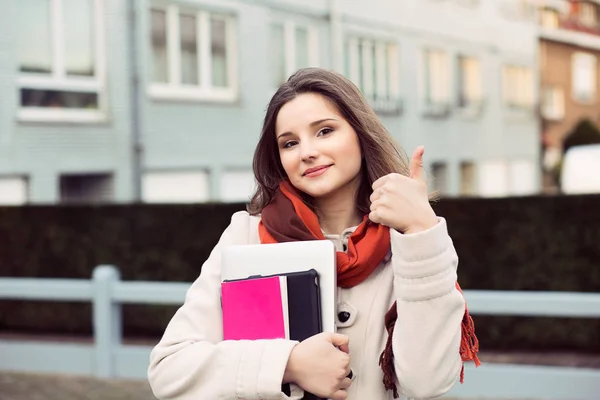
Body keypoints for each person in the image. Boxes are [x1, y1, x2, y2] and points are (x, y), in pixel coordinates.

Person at [147, 68, 479, 400]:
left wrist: (421, 231)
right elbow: (170, 370)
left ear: (361, 134)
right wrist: (288, 364)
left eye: (324, 131)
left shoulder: (410, 243)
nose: (306, 151)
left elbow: (427, 384)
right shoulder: (247, 234)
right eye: (289, 142)